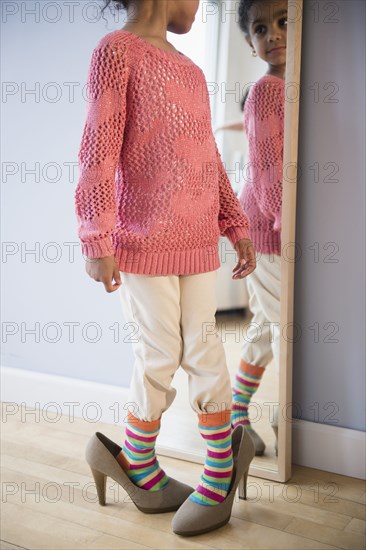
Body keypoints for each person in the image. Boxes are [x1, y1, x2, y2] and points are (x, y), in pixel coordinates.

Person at [74, 0, 257, 537]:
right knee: (158, 353)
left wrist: (235, 221)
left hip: (198, 241)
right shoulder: (116, 52)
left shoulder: (193, 71)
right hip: (142, 243)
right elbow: (98, 150)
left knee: (204, 349)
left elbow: (208, 157)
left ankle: (220, 468)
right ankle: (137, 460)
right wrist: (95, 235)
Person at [230, 0, 287, 456]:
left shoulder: (293, 85)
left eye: (284, 22)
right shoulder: (268, 91)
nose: (273, 34)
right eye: (261, 28)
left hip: (274, 222)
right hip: (268, 226)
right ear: (251, 42)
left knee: (268, 326)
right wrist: (285, 220)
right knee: (284, 324)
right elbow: (268, 168)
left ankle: (236, 416)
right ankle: (288, 420)